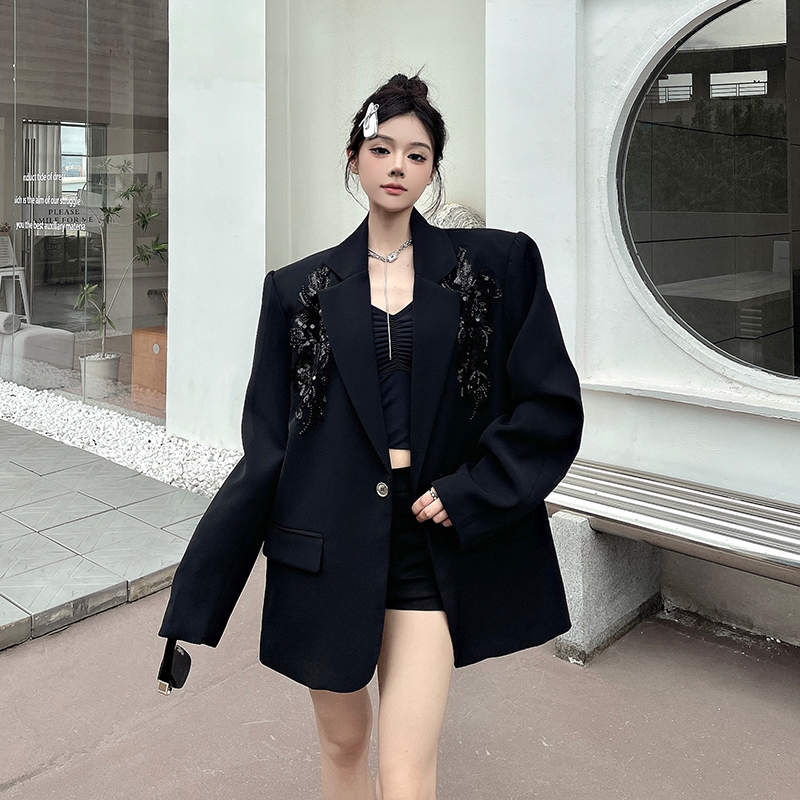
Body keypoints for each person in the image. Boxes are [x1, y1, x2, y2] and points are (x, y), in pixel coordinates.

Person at [157, 72, 584, 800]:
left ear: (433, 170)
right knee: (342, 743)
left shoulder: (495, 268)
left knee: (407, 768)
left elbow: (550, 405)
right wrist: (195, 603)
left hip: (429, 545)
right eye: (382, 149)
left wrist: (475, 490)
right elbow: (267, 451)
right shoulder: (297, 291)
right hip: (325, 549)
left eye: (417, 155)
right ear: (354, 157)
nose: (397, 167)